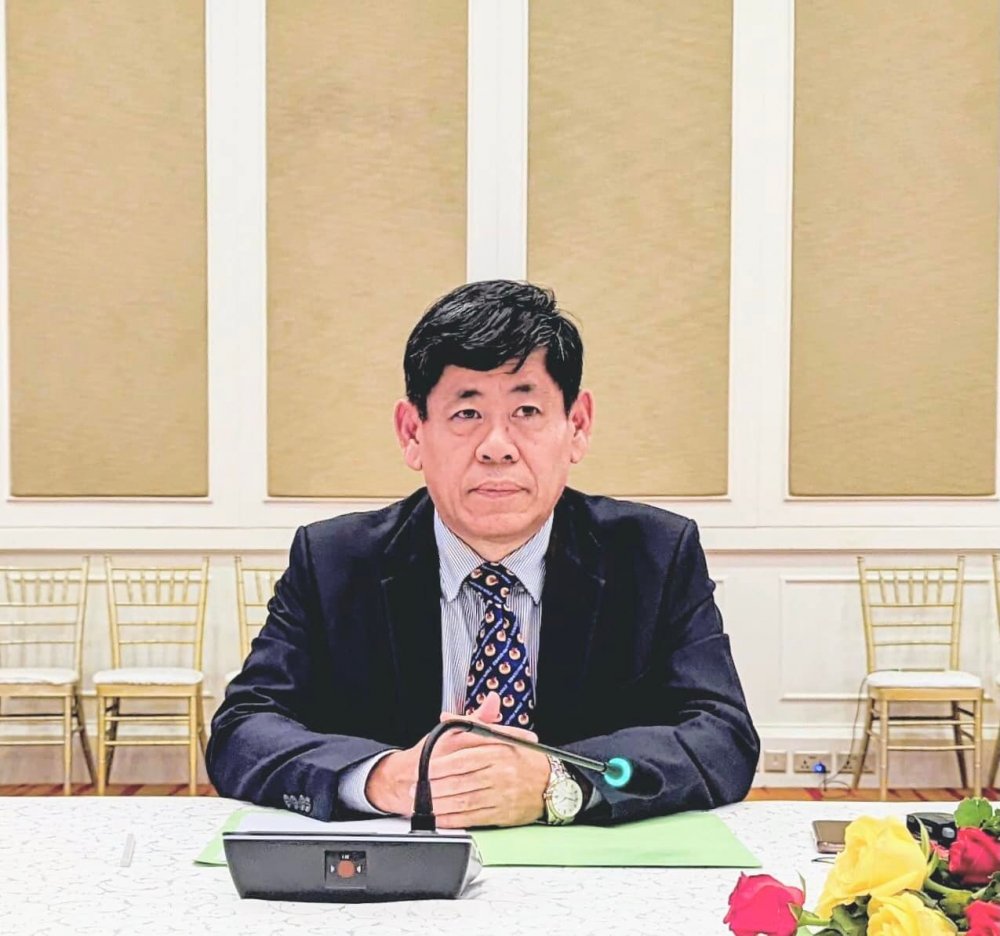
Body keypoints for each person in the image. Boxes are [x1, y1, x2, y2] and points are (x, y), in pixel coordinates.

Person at [207, 280, 759, 827]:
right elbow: (243, 729)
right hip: (402, 869)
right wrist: (383, 778)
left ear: (577, 426)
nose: (497, 447)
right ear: (412, 433)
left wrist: (560, 780)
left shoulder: (654, 555)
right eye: (467, 414)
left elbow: (722, 735)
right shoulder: (334, 562)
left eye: (527, 410)